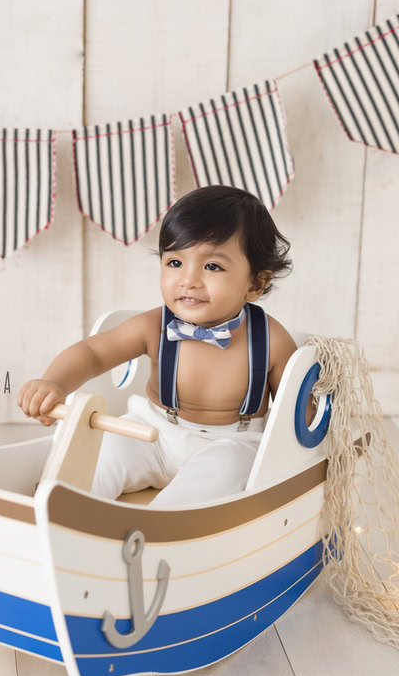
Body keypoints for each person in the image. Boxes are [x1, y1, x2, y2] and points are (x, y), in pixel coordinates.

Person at [17, 185, 298, 506]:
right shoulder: (154, 326)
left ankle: (158, 527)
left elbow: (295, 414)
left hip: (231, 442)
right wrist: (54, 382)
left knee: (228, 469)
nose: (188, 280)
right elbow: (93, 354)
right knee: (104, 448)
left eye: (212, 266)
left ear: (256, 283)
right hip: (152, 431)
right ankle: (64, 509)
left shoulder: (271, 340)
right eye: (175, 263)